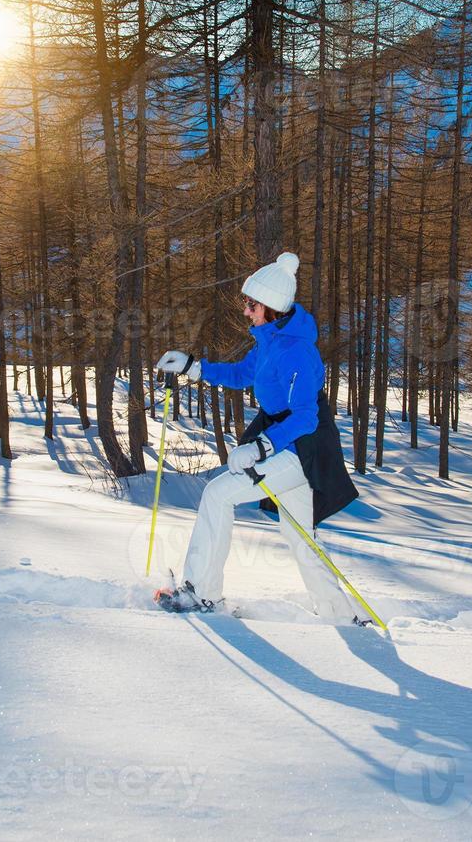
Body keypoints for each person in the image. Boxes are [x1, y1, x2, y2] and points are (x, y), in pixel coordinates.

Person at [152, 251, 363, 623]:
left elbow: (305, 417)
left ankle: (202, 594)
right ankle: (342, 616)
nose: (246, 310)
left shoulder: (296, 351)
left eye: (250, 304)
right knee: (299, 536)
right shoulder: (269, 342)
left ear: (269, 306)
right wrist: (193, 367)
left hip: (303, 447)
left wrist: (260, 447)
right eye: (245, 302)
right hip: (287, 440)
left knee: (218, 495)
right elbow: (240, 375)